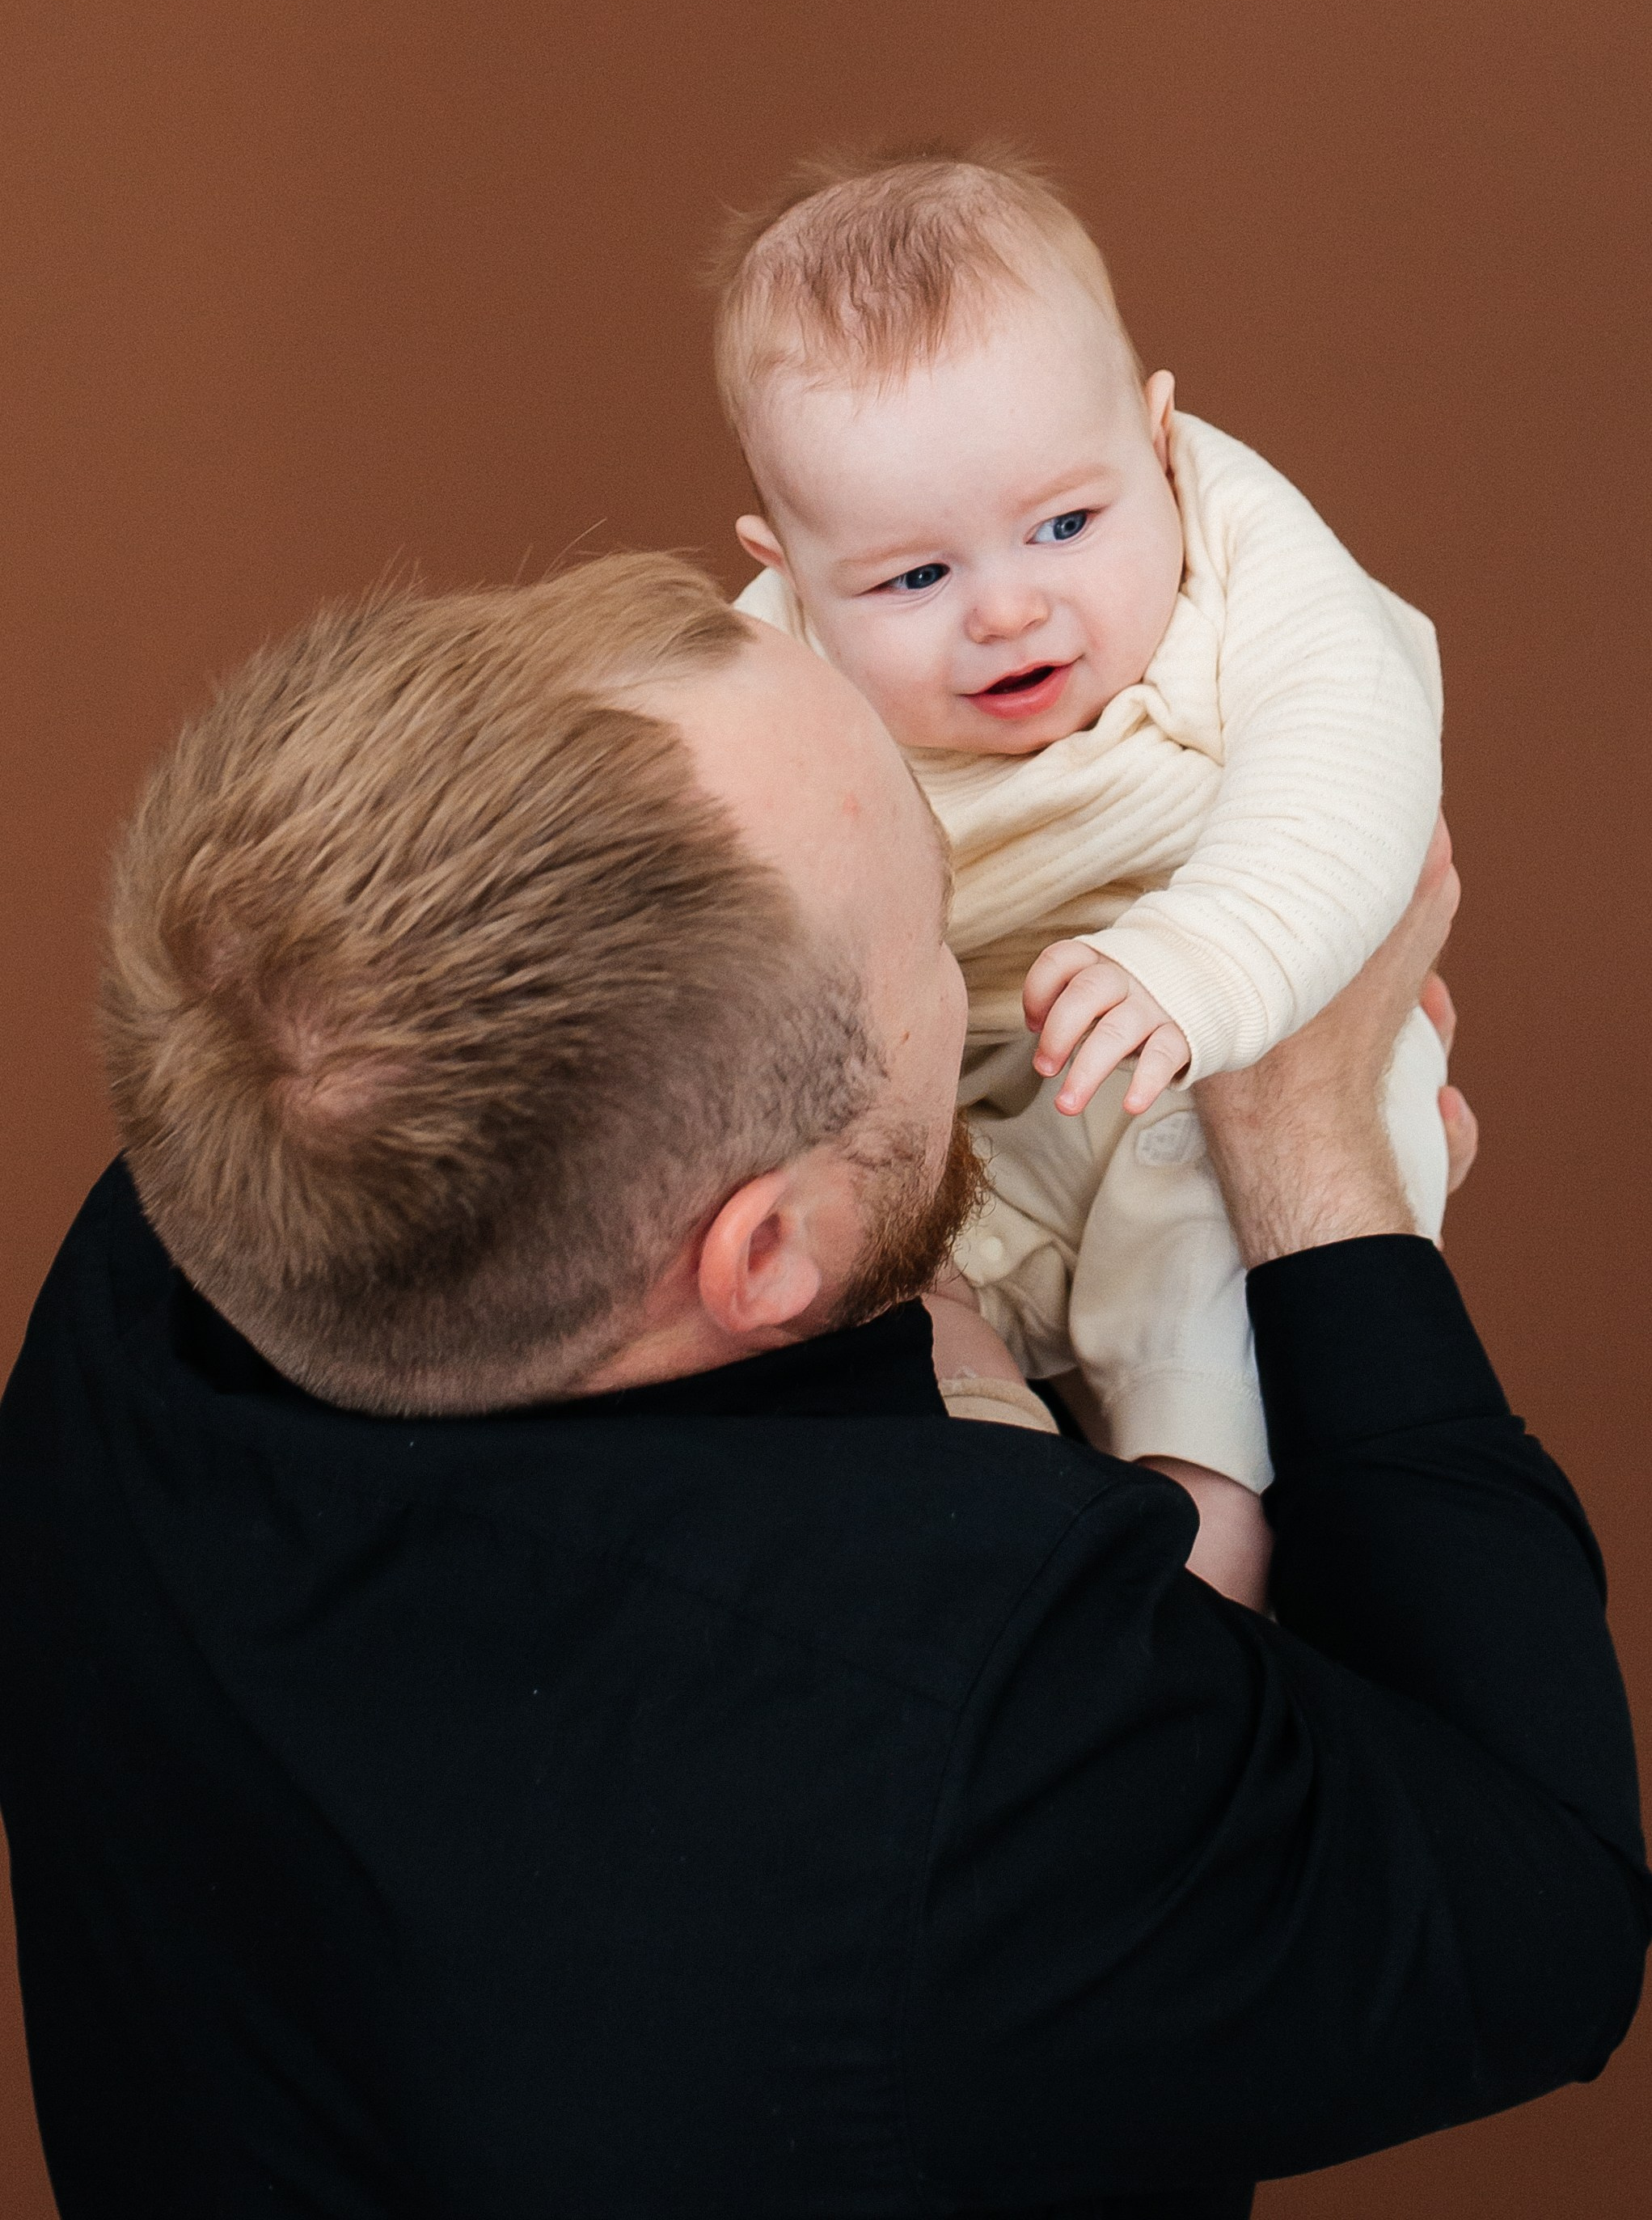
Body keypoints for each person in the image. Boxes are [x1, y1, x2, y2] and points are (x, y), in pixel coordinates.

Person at [0, 556, 1643, 2220]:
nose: (988, 942)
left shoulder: (178, 1241)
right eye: (938, 932)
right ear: (764, 1252)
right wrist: (1312, 1150)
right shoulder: (964, 1742)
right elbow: (1547, 1909)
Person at [716, 146, 1450, 1577]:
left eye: (1066, 524)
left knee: (1210, 1265)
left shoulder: (1246, 552)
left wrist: (1200, 960)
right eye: (916, 577)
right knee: (859, 1245)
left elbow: (1351, 769)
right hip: (977, 1096)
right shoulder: (767, 664)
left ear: (1159, 442)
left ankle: (1204, 1527)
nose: (1008, 608)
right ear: (790, 570)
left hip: (1230, 1025)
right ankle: (978, 1417)